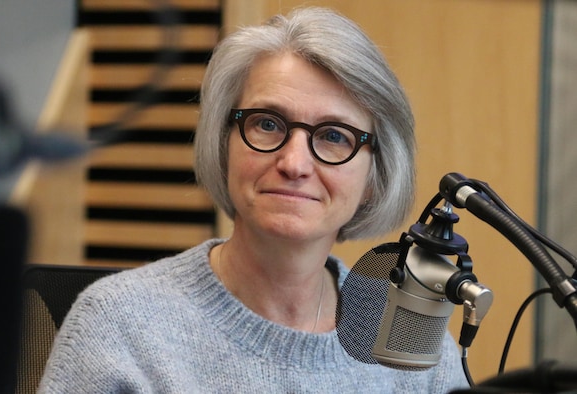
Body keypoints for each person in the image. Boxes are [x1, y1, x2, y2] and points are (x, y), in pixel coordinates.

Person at [38, 6, 469, 393]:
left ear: (375, 176)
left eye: (335, 136)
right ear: (224, 144)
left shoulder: (409, 340)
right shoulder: (119, 325)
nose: (294, 163)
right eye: (267, 124)